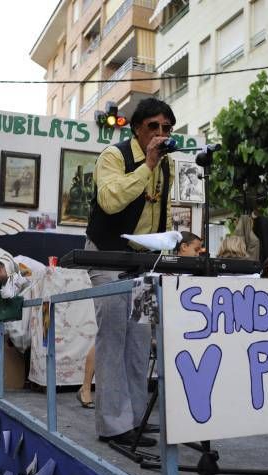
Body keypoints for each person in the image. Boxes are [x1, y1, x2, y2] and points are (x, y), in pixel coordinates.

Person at [83, 97, 177, 447]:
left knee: (139, 340)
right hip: (107, 255)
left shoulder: (165, 165)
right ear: (137, 128)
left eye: (166, 127)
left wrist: (164, 254)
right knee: (114, 335)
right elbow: (110, 200)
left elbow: (159, 214)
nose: (160, 133)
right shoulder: (114, 156)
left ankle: (136, 418)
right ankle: (112, 424)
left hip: (141, 262)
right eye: (153, 126)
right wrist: (147, 165)